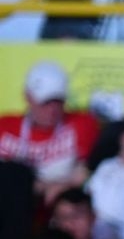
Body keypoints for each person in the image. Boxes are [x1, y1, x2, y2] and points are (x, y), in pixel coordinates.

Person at [0, 61, 99, 202]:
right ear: (28, 97)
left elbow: (86, 173)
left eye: (58, 102)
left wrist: (62, 186)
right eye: (45, 102)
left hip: (59, 208)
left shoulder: (81, 124)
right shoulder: (5, 127)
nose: (52, 110)